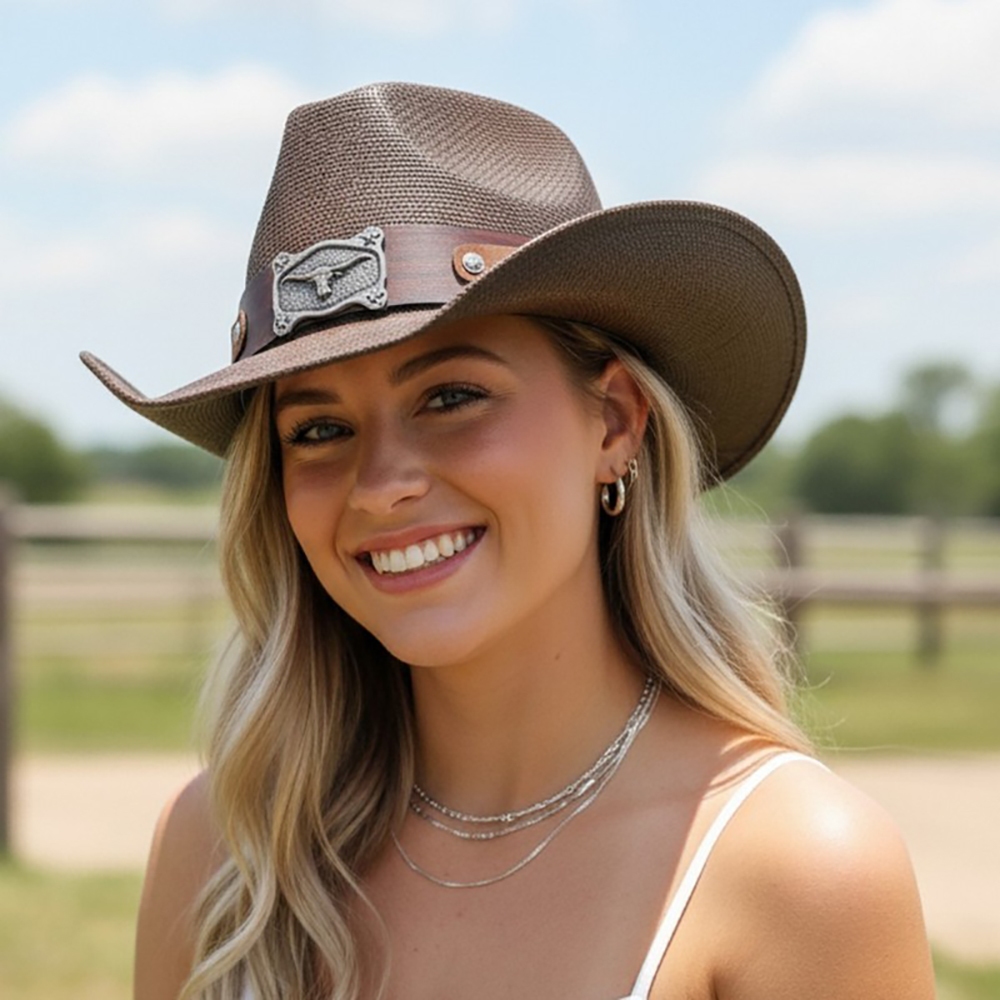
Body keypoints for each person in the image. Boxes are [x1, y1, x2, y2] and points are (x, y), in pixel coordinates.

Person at [83, 83, 935, 1000]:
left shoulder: (794, 873)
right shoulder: (225, 852)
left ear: (613, 421)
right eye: (319, 430)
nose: (382, 485)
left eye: (451, 397)